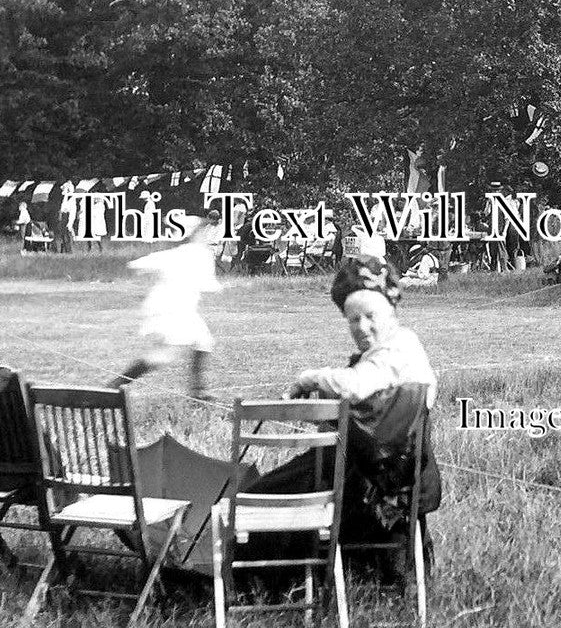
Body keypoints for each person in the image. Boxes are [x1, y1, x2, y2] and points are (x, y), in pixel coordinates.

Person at [248, 256, 440, 584]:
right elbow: (368, 408)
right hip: (393, 475)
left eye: (370, 316)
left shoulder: (397, 348)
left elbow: (355, 386)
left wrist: (310, 378)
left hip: (375, 483)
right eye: (353, 320)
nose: (362, 328)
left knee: (269, 493)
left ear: (392, 311)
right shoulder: (395, 348)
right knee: (281, 482)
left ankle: (263, 579)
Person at [107, 215, 220, 400]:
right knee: (164, 355)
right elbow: (208, 285)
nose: (205, 233)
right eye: (201, 230)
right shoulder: (199, 253)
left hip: (168, 307)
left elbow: (138, 265)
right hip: (174, 310)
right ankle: (116, 385)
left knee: (203, 341)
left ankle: (197, 390)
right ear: (194, 233)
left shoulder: (176, 254)